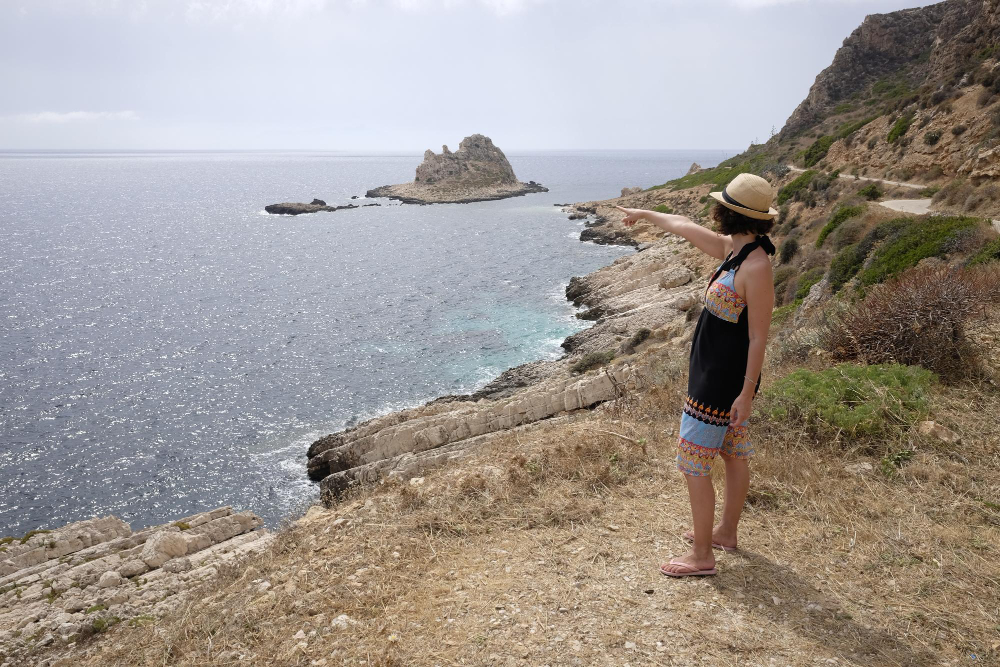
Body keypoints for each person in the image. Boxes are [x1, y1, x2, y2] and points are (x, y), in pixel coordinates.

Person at [615, 172, 777, 577]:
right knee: (732, 453)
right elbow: (684, 227)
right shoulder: (734, 250)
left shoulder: (755, 266)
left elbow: (758, 338)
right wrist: (645, 213)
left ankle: (703, 555)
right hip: (720, 377)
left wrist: (745, 393)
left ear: (726, 212)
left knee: (693, 465)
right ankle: (725, 532)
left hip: (720, 384)